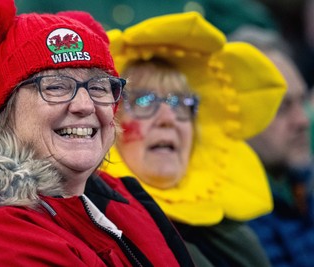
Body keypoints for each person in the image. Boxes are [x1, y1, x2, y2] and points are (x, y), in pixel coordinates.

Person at [0, 0, 195, 266]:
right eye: (55, 87)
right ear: (5, 112)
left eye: (99, 87)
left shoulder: (119, 194)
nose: (85, 105)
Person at [101, 12, 287, 267]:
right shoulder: (103, 239)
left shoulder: (236, 234)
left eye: (180, 104)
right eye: (144, 101)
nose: (169, 118)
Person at [230, 26, 314, 267]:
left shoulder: (299, 186)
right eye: (282, 107)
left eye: (302, 100)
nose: (303, 120)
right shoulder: (230, 224)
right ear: (233, 117)